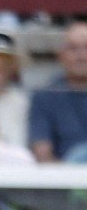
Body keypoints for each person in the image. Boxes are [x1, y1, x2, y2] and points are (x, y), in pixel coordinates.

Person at [29, 20, 87, 161]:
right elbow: (42, 154)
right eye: (73, 48)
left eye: (86, 48)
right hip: (61, 179)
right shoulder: (44, 96)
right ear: (61, 54)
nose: (81, 56)